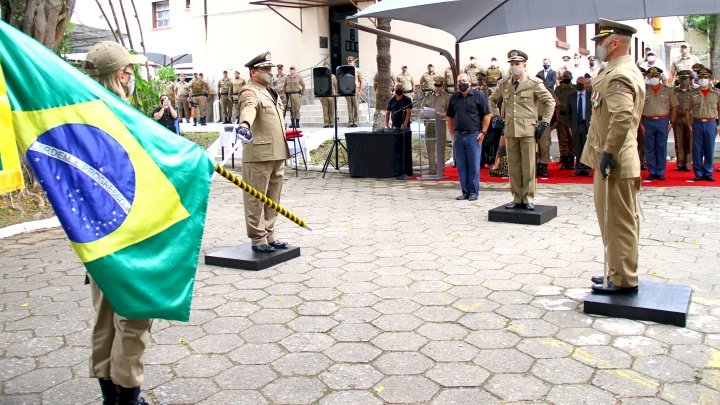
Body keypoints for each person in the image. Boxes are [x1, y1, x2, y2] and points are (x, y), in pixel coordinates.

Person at [84, 41, 151, 405]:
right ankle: (128, 396)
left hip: (93, 236)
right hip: (128, 233)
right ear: (122, 75)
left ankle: (110, 394)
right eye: (131, 72)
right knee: (134, 316)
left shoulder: (78, 116)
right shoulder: (120, 117)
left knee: (105, 317)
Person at [579, 19, 645, 294]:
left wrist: (608, 152)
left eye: (600, 43)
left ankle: (623, 279)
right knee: (617, 219)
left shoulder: (618, 75)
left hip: (615, 159)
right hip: (612, 157)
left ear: (614, 43)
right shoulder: (616, 70)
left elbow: (622, 117)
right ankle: (617, 270)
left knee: (618, 221)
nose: (597, 48)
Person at [236, 51, 291, 253]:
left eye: (271, 69)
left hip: (277, 152)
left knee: (273, 197)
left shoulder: (269, 91)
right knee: (256, 198)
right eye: (266, 70)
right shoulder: (249, 92)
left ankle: (270, 233)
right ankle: (258, 238)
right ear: (254, 73)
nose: (271, 73)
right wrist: (244, 125)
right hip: (259, 154)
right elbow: (248, 109)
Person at [489, 49, 555, 210]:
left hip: (527, 130)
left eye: (517, 64)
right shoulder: (504, 83)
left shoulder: (533, 83)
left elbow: (550, 102)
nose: (514, 67)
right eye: (512, 64)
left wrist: (544, 122)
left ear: (524, 65)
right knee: (514, 166)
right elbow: (492, 100)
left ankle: (528, 198)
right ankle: (516, 197)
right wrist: (496, 116)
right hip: (511, 129)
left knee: (528, 166)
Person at [446, 73, 492, 201]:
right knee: (461, 165)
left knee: (473, 165)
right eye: (459, 81)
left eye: (464, 80)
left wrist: (483, 132)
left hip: (474, 136)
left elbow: (487, 115)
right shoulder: (454, 98)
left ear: (470, 82)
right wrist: (452, 134)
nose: (461, 83)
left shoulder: (479, 96)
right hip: (459, 136)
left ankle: (473, 192)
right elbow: (449, 116)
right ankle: (465, 191)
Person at [641, 67, 678, 181]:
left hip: (662, 121)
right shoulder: (643, 91)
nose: (654, 79)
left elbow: (674, 106)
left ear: (660, 77)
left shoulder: (668, 90)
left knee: (661, 147)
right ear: (648, 78)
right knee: (650, 147)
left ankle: (660, 171)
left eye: (656, 76)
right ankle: (652, 171)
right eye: (651, 77)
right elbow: (639, 108)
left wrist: (671, 122)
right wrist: (641, 124)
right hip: (648, 120)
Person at [685, 67, 720, 181]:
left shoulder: (716, 93)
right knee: (697, 149)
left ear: (710, 79)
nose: (703, 79)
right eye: (701, 77)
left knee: (709, 149)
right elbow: (687, 110)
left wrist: (719, 125)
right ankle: (698, 173)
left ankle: (708, 172)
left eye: (705, 77)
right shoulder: (693, 93)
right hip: (697, 123)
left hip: (711, 122)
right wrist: (690, 125)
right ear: (698, 79)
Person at [421, 75, 451, 175]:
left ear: (442, 86)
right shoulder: (428, 96)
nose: (437, 88)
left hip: (441, 123)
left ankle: (440, 169)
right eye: (436, 86)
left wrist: (443, 114)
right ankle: (432, 169)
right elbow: (422, 109)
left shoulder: (447, 97)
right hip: (429, 124)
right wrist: (425, 113)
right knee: (430, 146)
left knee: (440, 146)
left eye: (439, 86)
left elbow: (450, 112)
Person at [385, 82, 414, 179]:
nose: (398, 89)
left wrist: (405, 123)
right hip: (395, 128)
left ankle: (407, 171)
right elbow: (388, 113)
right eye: (396, 88)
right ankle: (397, 170)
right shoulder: (391, 100)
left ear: (403, 89)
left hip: (405, 128)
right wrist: (387, 124)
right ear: (394, 89)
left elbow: (408, 113)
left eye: (400, 88)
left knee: (406, 148)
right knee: (396, 149)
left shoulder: (407, 99)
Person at [534, 72, 559, 178]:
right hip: (531, 121)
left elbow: (556, 105)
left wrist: (556, 119)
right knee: (532, 145)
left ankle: (544, 166)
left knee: (544, 144)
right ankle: (536, 165)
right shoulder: (530, 92)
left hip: (544, 121)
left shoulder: (549, 92)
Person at [567, 76, 593, 176]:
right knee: (577, 148)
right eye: (577, 82)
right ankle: (578, 167)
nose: (579, 84)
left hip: (587, 125)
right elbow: (568, 113)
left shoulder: (591, 96)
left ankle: (586, 168)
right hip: (575, 125)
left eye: (581, 82)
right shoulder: (571, 96)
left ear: (586, 84)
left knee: (587, 147)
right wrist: (569, 126)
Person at [672, 70, 694, 171]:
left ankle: (688, 162)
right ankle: (680, 162)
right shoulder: (674, 91)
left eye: (686, 79)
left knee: (689, 141)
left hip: (690, 119)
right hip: (677, 118)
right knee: (678, 141)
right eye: (682, 79)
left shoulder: (694, 91)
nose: (684, 81)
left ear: (690, 80)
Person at [555, 71, 576, 169]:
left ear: (571, 77)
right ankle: (564, 159)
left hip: (572, 116)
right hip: (562, 116)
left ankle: (571, 159)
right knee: (562, 139)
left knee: (571, 139)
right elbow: (556, 102)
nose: (566, 78)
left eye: (568, 76)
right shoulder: (558, 89)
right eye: (564, 76)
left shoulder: (575, 88)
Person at [345, 55, 364, 127]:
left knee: (356, 106)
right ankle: (350, 121)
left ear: (354, 62)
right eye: (349, 62)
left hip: (355, 88)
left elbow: (361, 81)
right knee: (349, 106)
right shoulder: (345, 70)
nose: (350, 63)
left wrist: (360, 91)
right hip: (348, 89)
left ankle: (356, 121)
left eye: (351, 61)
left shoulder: (357, 70)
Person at [319, 62, 338, 128]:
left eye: (327, 67)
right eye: (325, 67)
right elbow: (319, 86)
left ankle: (332, 122)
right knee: (325, 110)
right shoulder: (321, 76)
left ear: (330, 68)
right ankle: (326, 123)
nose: (326, 68)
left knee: (331, 109)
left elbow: (336, 86)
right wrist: (320, 96)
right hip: (324, 95)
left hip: (331, 95)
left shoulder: (333, 76)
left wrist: (336, 94)